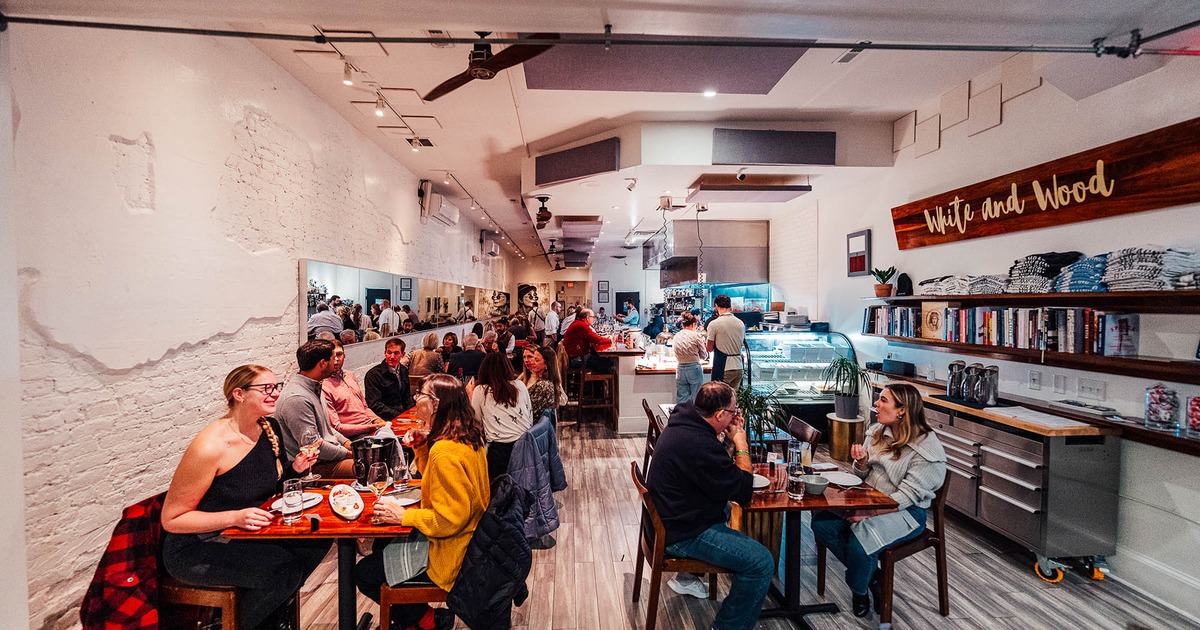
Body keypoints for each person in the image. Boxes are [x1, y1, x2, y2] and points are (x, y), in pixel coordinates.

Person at [161, 365, 331, 630]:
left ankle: (268, 617)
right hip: (197, 546)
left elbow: (269, 486)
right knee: (281, 571)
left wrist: (295, 468)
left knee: (317, 540)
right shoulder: (210, 446)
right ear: (238, 394)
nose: (275, 394)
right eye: (266, 388)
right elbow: (172, 519)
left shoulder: (268, 427)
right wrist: (235, 517)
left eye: (277, 387)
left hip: (245, 534)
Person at [354, 373, 489, 630]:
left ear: (436, 403)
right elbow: (436, 485)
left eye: (421, 394)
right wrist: (423, 448)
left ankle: (426, 621)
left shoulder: (445, 452)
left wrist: (403, 517)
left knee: (364, 573)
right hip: (471, 540)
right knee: (381, 550)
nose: (416, 399)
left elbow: (450, 519)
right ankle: (423, 619)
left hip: (451, 552)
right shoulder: (465, 435)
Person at [811, 383, 946, 618]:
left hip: (907, 513)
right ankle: (875, 578)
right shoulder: (877, 431)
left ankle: (859, 589)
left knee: (860, 541)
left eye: (883, 400)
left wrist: (869, 513)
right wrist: (861, 463)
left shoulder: (926, 448)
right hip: (870, 501)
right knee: (821, 523)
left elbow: (908, 496)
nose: (876, 404)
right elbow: (862, 476)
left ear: (902, 410)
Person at [646, 381, 773, 629]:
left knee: (725, 509)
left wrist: (724, 439)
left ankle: (688, 577)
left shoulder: (684, 420)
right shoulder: (697, 443)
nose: (736, 416)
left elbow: (715, 473)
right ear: (719, 414)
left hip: (669, 518)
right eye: (733, 412)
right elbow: (743, 490)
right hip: (681, 533)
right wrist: (741, 443)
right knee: (761, 562)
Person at [275, 340, 355, 478]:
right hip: (312, 466)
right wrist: (351, 453)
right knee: (370, 467)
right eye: (333, 358)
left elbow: (328, 430)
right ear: (322, 363)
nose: (336, 362)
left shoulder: (315, 386)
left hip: (328, 457)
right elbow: (313, 446)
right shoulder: (297, 398)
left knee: (376, 457)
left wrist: (350, 445)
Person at [470, 353, 533, 481]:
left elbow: (475, 424)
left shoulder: (480, 390)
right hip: (526, 448)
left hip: (499, 453)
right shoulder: (520, 386)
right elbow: (529, 417)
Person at [324, 340, 387, 438]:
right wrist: (371, 427)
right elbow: (336, 427)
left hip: (370, 426)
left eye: (339, 354)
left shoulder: (349, 375)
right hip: (353, 435)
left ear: (344, 356)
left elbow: (364, 407)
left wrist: (377, 419)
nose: (336, 359)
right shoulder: (324, 385)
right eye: (332, 356)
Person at [365, 338, 416, 421]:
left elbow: (407, 396)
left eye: (396, 353)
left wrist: (411, 412)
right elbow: (375, 405)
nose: (392, 356)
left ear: (403, 355)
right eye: (389, 352)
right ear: (385, 353)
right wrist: (400, 416)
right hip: (384, 418)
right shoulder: (373, 375)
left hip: (403, 414)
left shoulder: (404, 370)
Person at [706, 294, 746, 389]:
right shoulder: (740, 323)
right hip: (739, 366)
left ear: (716, 306)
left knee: (721, 399)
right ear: (730, 306)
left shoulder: (714, 324)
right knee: (733, 399)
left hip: (724, 367)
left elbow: (709, 348)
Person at [519, 345, 567, 422]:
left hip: (532, 423)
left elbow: (563, 401)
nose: (527, 360)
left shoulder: (545, 384)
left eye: (530, 357)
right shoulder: (525, 376)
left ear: (546, 364)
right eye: (524, 357)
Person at [562, 308, 614, 373]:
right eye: (593, 317)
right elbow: (597, 340)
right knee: (607, 361)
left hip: (575, 357)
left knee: (603, 359)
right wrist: (611, 340)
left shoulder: (578, 323)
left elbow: (593, 338)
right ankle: (599, 381)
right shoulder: (582, 325)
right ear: (587, 317)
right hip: (577, 359)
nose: (593, 319)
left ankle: (598, 381)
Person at [673, 311, 709, 404]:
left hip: (680, 368)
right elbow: (704, 355)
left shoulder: (676, 336)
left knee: (682, 398)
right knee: (697, 398)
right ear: (693, 324)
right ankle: (694, 418)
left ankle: (683, 417)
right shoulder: (696, 335)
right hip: (694, 368)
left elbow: (675, 353)